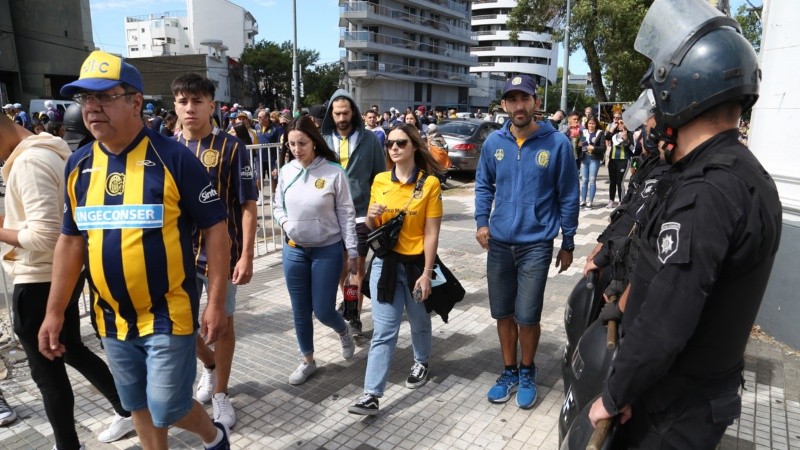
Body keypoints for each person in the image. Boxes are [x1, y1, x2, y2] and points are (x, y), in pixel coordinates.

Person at [587, 1, 782, 448]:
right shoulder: (743, 173)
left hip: (673, 412)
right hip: (682, 399)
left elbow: (665, 320)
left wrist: (616, 394)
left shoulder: (706, 192)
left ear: (684, 92)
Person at [37, 50, 232, 450]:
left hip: (168, 312)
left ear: (136, 102)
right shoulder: (77, 165)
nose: (91, 108)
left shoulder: (174, 158)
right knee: (137, 405)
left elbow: (216, 229)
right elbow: (71, 241)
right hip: (111, 319)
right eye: (84, 99)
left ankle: (214, 437)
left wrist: (214, 301)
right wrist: (54, 312)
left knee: (168, 406)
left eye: (104, 96)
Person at [0, 113, 135, 448]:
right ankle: (127, 407)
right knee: (70, 348)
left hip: (39, 278)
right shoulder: (52, 150)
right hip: (62, 272)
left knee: (47, 374)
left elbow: (46, 236)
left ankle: (69, 444)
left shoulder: (30, 162)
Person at [475, 74, 579, 409]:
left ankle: (527, 370)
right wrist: (480, 222)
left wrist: (569, 240)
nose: (519, 106)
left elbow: (568, 195)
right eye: (513, 100)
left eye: (526, 99)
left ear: (535, 103)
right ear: (504, 104)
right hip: (500, 244)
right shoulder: (494, 143)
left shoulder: (557, 144)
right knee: (503, 313)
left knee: (527, 315)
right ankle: (508, 370)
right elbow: (483, 185)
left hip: (536, 244)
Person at [172, 73, 258, 430]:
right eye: (182, 101)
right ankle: (208, 366)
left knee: (222, 325)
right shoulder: (166, 147)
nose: (190, 108)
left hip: (223, 254)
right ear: (175, 105)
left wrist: (247, 255)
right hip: (177, 254)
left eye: (197, 101)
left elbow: (248, 203)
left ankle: (221, 393)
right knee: (181, 325)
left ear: (212, 105)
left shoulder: (232, 147)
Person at [348, 123, 443, 416]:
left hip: (416, 265)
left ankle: (421, 361)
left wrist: (427, 273)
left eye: (401, 143)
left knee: (418, 320)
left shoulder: (429, 184)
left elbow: (431, 234)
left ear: (414, 145)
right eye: (390, 144)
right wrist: (371, 218)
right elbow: (374, 229)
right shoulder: (379, 181)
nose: (395, 148)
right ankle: (371, 395)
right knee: (384, 332)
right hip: (386, 265)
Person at [273, 115, 358, 385]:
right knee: (299, 310)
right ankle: (307, 360)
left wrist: (352, 250)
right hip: (294, 250)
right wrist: (286, 223)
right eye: (292, 144)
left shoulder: (333, 171)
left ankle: (343, 330)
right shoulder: (287, 171)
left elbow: (346, 214)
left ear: (314, 142)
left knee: (322, 309)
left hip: (327, 250)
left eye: (302, 143)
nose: (297, 149)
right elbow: (277, 206)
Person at [321, 89, 386, 336]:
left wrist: (376, 212)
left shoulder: (369, 140)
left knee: (355, 267)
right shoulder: (323, 140)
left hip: (360, 215)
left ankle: (353, 315)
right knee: (341, 269)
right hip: (331, 216)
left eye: (345, 112)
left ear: (354, 113)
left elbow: (380, 177)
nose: (341, 118)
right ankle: (349, 302)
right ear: (331, 114)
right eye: (336, 113)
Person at [605, 117, 632, 208]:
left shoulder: (629, 133)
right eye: (618, 122)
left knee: (619, 181)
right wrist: (613, 127)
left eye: (621, 122)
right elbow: (607, 137)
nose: (619, 124)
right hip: (613, 159)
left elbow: (631, 147)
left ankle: (621, 201)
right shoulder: (614, 133)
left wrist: (625, 138)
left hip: (624, 159)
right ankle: (611, 200)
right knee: (612, 181)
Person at [579, 117, 605, 208]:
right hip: (584, 157)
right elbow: (581, 143)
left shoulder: (600, 133)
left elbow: (603, 148)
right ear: (587, 124)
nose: (591, 125)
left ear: (596, 124)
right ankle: (583, 200)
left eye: (593, 123)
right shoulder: (584, 132)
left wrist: (593, 148)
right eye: (589, 123)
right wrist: (580, 145)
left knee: (592, 180)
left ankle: (590, 201)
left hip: (594, 158)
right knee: (584, 180)